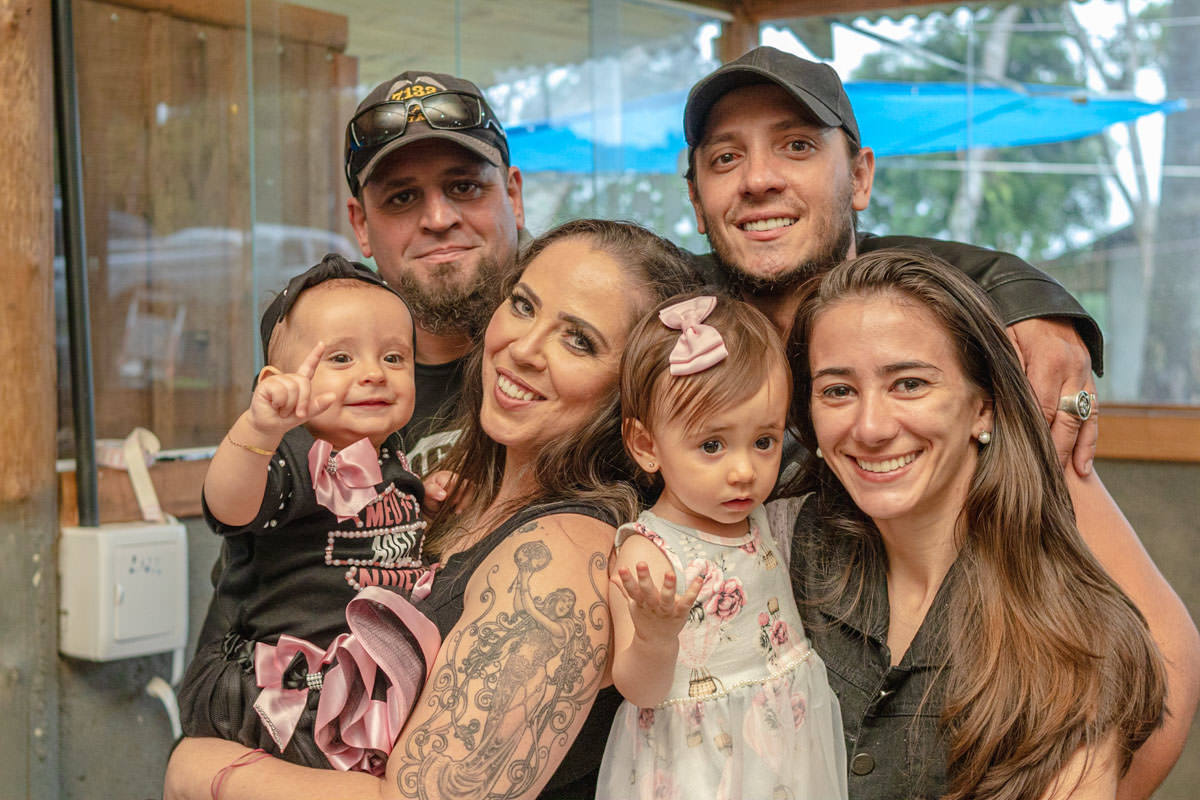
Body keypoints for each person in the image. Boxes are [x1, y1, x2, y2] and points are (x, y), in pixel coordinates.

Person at [164, 219, 702, 800]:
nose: (523, 349)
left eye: (578, 341)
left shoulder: (561, 557)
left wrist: (199, 771)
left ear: (629, 389)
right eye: (523, 306)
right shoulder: (438, 487)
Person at [786, 249, 1168, 799]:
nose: (869, 428)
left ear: (983, 408)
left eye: (909, 384)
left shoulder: (1078, 642)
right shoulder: (776, 554)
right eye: (838, 390)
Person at [681, 45, 1102, 478]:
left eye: (797, 145)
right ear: (697, 200)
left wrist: (1032, 303)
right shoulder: (669, 314)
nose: (757, 180)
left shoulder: (953, 340)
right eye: (726, 158)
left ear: (859, 178)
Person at [178, 255, 440, 773]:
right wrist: (258, 430)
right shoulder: (294, 457)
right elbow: (229, 509)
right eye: (341, 359)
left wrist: (426, 496)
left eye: (394, 358)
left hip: (362, 686)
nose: (373, 374)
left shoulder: (392, 454)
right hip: (285, 695)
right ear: (279, 381)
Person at [597, 293, 847, 800]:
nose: (744, 471)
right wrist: (655, 636)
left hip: (788, 733)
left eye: (764, 441)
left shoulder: (763, 517)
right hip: (698, 758)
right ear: (647, 445)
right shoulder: (647, 551)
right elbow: (640, 691)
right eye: (712, 445)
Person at [344, 71, 527, 476]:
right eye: (402, 197)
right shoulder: (323, 384)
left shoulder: (602, 346)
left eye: (464, 187)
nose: (438, 219)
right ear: (361, 226)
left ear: (514, 197)